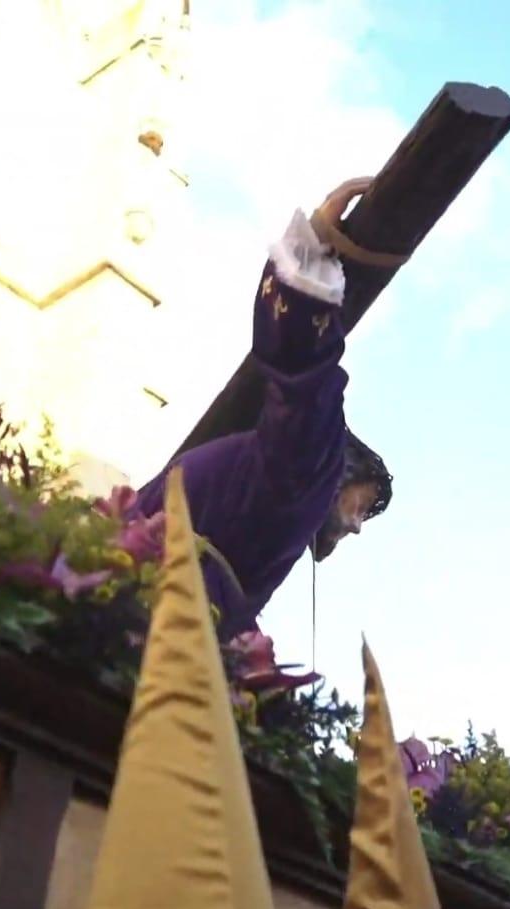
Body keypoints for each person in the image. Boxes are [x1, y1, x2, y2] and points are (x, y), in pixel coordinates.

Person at [134, 178, 393, 641]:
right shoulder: (305, 465)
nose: (355, 526)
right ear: (340, 468)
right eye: (360, 505)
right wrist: (312, 254)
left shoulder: (276, 498)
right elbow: (305, 384)